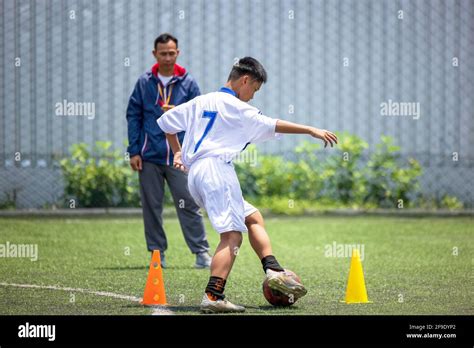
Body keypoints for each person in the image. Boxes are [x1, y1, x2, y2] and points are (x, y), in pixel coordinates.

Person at [157, 57, 338, 312]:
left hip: (197, 174)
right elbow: (274, 124)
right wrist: (311, 130)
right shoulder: (237, 107)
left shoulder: (201, 101)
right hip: (217, 170)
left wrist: (177, 153)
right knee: (231, 236)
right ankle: (213, 296)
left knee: (252, 217)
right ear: (244, 80)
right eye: (254, 89)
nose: (252, 96)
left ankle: (273, 269)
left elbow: (166, 124)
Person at [126, 33, 212, 269]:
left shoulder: (189, 83)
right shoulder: (144, 83)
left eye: (171, 52)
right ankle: (157, 254)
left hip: (180, 156)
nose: (167, 57)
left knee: (189, 203)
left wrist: (178, 112)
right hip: (149, 156)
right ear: (154, 54)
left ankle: (201, 253)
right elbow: (133, 116)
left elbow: (200, 116)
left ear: (178, 53)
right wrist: (134, 151)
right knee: (151, 206)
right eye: (162, 53)